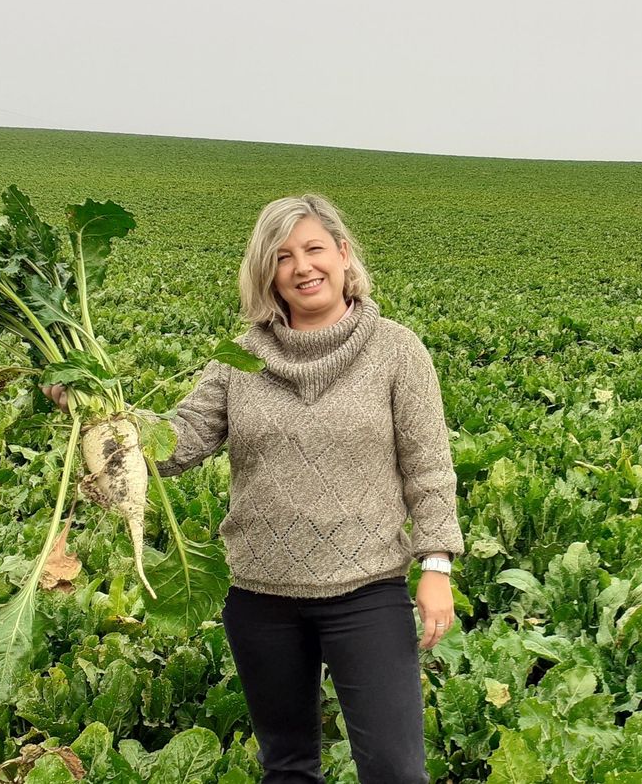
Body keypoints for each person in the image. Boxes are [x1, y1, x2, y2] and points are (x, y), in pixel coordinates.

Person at [46, 193, 463, 783]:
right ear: (268, 272)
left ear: (344, 255)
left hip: (366, 591)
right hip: (262, 595)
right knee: (287, 766)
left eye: (315, 249)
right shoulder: (239, 358)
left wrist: (437, 567)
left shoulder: (398, 351)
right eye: (283, 256)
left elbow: (429, 467)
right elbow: (180, 440)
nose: (302, 267)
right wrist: (97, 418)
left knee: (395, 770)